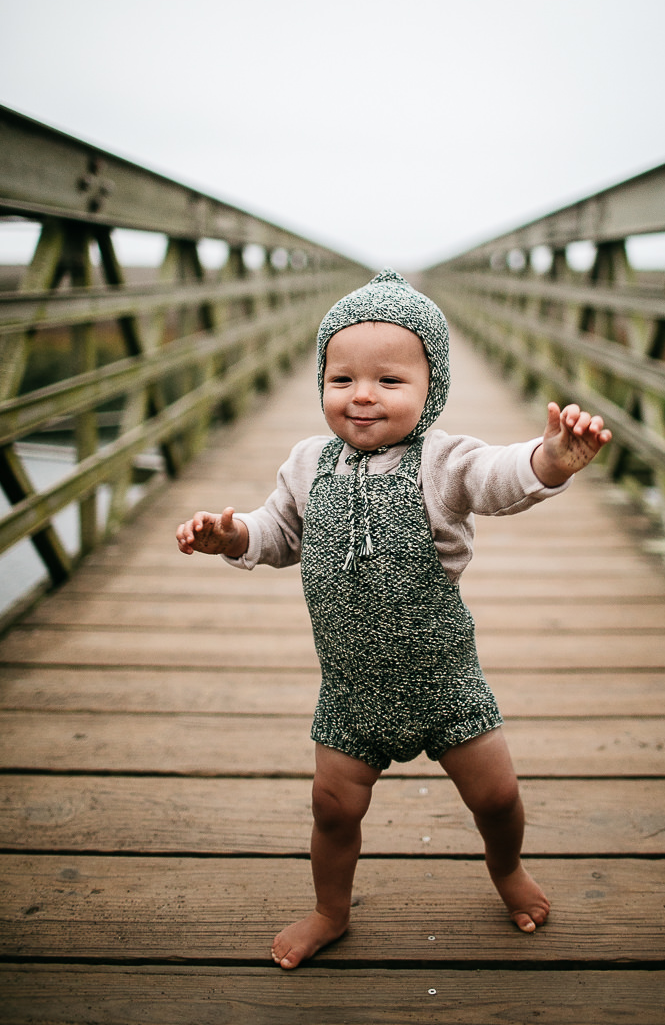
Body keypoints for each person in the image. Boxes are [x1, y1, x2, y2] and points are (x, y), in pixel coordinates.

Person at [175, 269, 612, 970]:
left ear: (431, 388)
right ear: (321, 381)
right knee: (332, 810)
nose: (363, 396)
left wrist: (549, 460)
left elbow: (500, 477)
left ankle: (507, 869)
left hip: (444, 681)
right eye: (341, 379)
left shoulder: (443, 461)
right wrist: (232, 538)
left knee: (497, 796)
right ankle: (330, 909)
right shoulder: (306, 464)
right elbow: (278, 532)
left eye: (389, 381)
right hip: (350, 692)